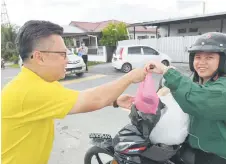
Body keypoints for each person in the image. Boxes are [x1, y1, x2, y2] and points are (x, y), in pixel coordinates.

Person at [1, 20, 148, 164]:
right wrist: (130, 77)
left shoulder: (37, 82)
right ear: (40, 57)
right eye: (63, 54)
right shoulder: (30, 90)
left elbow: (79, 98)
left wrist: (114, 101)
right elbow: (92, 100)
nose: (67, 60)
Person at [144, 32, 226, 164]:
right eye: (198, 57)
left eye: (209, 57)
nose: (201, 63)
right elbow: (185, 91)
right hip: (193, 150)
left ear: (223, 61)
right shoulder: (198, 82)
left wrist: (167, 72)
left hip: (218, 157)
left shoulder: (222, 88)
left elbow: (200, 99)